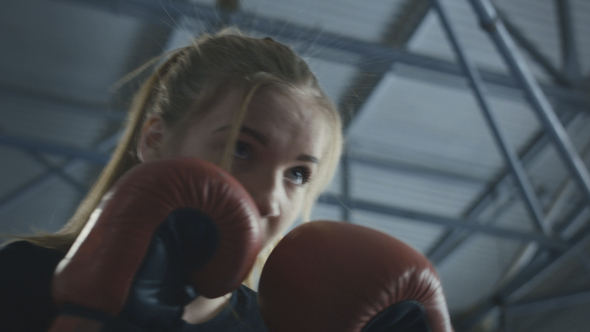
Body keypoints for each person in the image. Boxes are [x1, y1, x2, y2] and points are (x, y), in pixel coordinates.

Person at [0, 30, 343, 331]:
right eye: (241, 148)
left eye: (297, 174)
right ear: (154, 140)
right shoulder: (21, 278)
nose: (271, 199)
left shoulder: (280, 328)